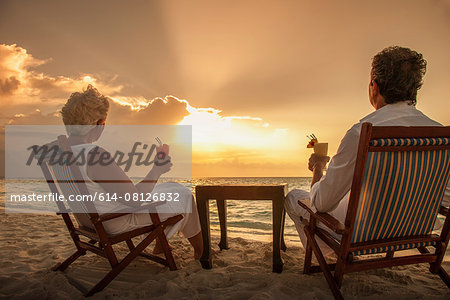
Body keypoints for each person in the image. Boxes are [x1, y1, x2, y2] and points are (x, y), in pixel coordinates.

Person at [285, 46, 450, 256]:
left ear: (375, 86)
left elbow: (321, 203)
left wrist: (318, 168)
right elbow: (447, 198)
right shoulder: (441, 135)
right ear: (414, 89)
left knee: (293, 197)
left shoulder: (360, 133)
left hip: (362, 235)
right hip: (413, 232)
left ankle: (337, 256)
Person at [60, 85, 203, 259]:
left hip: (89, 220)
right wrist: (156, 170)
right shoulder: (94, 155)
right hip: (114, 222)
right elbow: (134, 200)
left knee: (172, 187)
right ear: (97, 124)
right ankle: (202, 252)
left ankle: (160, 245)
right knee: (185, 195)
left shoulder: (61, 154)